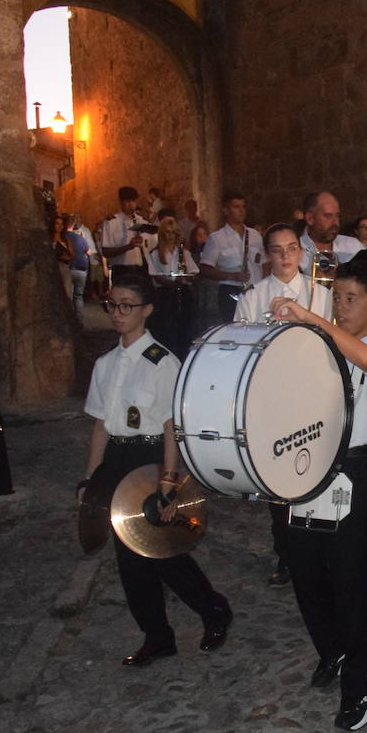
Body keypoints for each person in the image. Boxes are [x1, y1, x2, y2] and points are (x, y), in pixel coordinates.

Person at [267, 259, 367, 731]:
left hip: (352, 469)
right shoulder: (316, 345)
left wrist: (312, 319)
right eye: (336, 297)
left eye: (351, 299)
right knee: (303, 567)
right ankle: (334, 651)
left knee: (348, 577)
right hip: (307, 464)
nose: (340, 307)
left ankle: (360, 681)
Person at [78, 280, 233, 667]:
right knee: (129, 558)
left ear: (147, 310)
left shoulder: (163, 362)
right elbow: (100, 426)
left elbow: (170, 427)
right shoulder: (105, 364)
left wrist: (168, 480)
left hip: (149, 459)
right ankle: (157, 636)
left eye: (127, 305)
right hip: (117, 459)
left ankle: (213, 610)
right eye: (113, 305)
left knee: (164, 551)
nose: (117, 312)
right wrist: (90, 479)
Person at [234, 223, 329, 591]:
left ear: (301, 252)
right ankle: (286, 554)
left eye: (292, 249)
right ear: (267, 255)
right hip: (272, 399)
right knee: (277, 483)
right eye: (278, 250)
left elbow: (330, 341)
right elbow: (241, 351)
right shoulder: (254, 297)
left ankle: (317, 550)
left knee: (314, 475)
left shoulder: (319, 293)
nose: (287, 257)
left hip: (312, 395)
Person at [198, 191, 264, 316]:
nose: (241, 211)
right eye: (236, 207)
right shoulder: (216, 238)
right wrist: (232, 276)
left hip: (255, 289)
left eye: (243, 207)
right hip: (231, 290)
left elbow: (265, 263)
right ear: (226, 210)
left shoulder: (255, 235)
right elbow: (205, 269)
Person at [145, 215, 200, 356]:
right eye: (167, 232)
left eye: (173, 232)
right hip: (165, 295)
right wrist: (171, 283)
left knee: (184, 328)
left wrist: (187, 277)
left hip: (183, 293)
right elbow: (155, 275)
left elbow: (194, 273)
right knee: (165, 329)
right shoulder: (156, 254)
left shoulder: (183, 253)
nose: (170, 236)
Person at [300, 191, 367, 266]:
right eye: (328, 216)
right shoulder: (295, 252)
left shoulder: (353, 246)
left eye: (337, 216)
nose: (335, 222)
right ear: (310, 218)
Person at [98, 186, 155, 274]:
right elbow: (106, 252)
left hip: (141, 269)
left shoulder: (142, 221)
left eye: (133, 201)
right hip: (121, 270)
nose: (131, 205)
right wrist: (128, 247)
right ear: (121, 202)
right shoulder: (111, 222)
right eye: (127, 201)